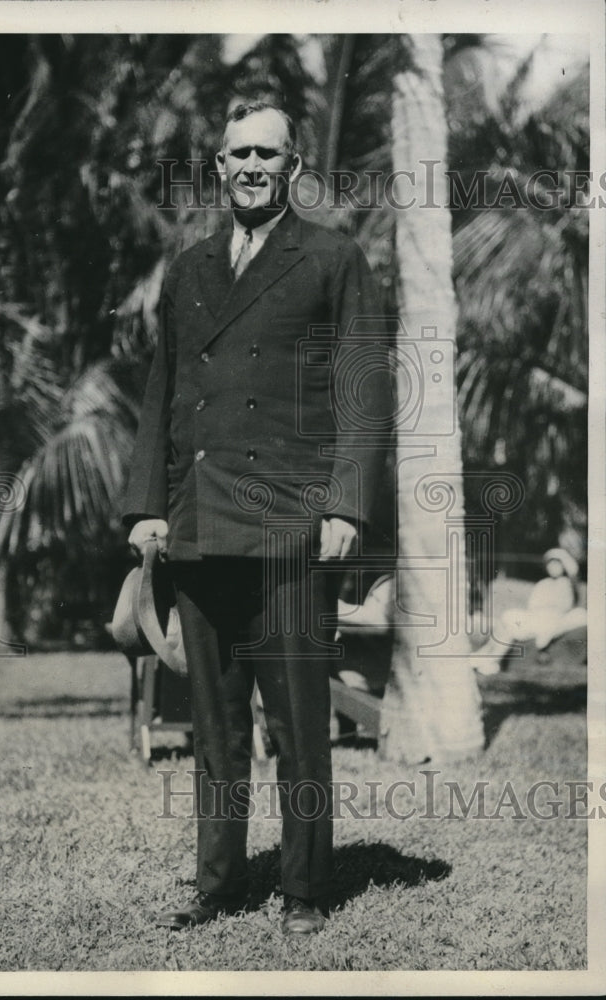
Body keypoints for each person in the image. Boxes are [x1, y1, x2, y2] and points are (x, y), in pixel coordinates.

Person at [122, 101, 392, 934]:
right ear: (218, 164)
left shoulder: (332, 257)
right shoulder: (191, 265)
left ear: (293, 166)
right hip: (200, 525)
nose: (249, 166)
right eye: (236, 152)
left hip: (290, 526)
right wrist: (146, 509)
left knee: (300, 723)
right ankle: (218, 881)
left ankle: (307, 889)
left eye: (265, 155)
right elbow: (164, 391)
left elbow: (363, 388)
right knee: (214, 723)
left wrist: (346, 503)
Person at [471, 547, 587, 675]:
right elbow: (532, 605)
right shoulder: (543, 583)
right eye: (550, 564)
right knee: (507, 622)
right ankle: (486, 657)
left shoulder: (566, 584)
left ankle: (493, 660)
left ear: (564, 566)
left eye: (557, 564)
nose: (553, 567)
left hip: (550, 620)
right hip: (535, 616)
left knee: (511, 629)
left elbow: (565, 606)